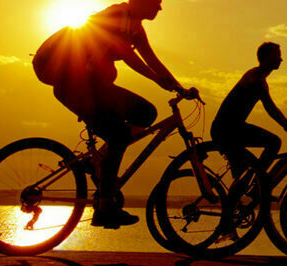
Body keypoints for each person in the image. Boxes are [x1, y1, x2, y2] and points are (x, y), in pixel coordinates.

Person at [48, 0, 196, 228]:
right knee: (118, 135)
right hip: (74, 85)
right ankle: (105, 208)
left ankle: (98, 162)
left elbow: (152, 59)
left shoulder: (135, 27)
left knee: (146, 113)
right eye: (156, 3)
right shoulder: (117, 15)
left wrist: (179, 87)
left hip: (93, 86)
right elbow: (127, 55)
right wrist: (156, 80)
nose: (159, 8)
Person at [211, 42, 287, 182]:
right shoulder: (255, 78)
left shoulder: (259, 77)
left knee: (248, 165)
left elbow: (270, 108)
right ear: (266, 57)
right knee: (274, 142)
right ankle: (258, 183)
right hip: (226, 131)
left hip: (231, 128)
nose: (281, 59)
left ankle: (254, 184)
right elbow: (271, 108)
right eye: (277, 55)